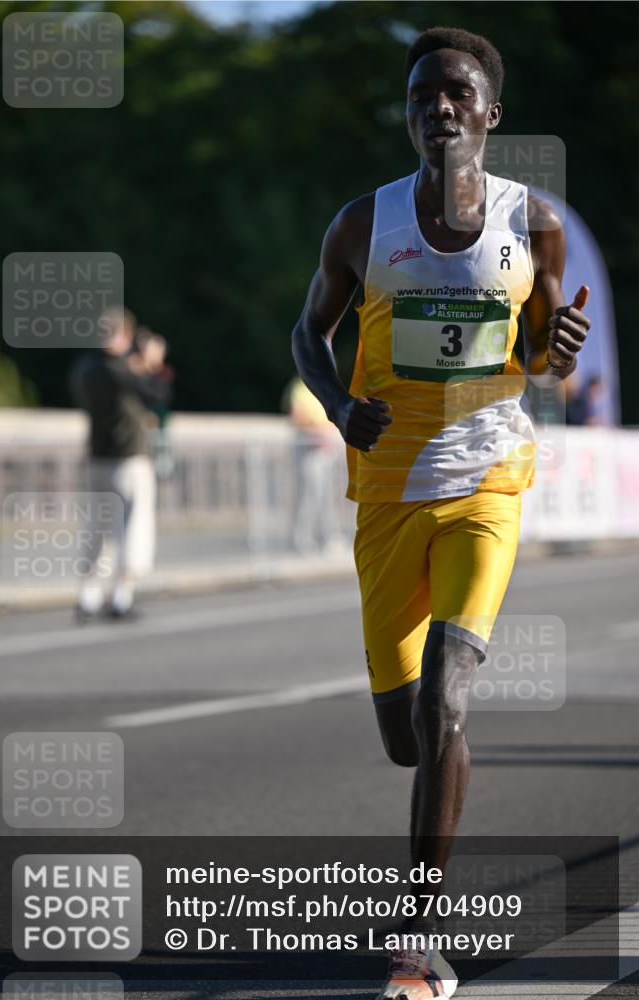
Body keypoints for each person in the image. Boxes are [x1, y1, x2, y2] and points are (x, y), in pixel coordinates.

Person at [291, 26, 590, 999]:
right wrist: (341, 407)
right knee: (403, 733)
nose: (438, 107)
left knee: (445, 695)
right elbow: (309, 332)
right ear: (410, 112)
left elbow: (544, 351)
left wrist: (560, 340)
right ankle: (438, 764)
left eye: (457, 93)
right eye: (422, 94)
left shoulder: (529, 222)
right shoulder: (360, 224)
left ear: (489, 114)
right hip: (387, 496)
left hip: (486, 485)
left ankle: (416, 942)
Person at [69, 307, 173, 620]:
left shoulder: (85, 368)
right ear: (124, 334)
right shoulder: (123, 369)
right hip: (129, 459)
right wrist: (152, 363)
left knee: (95, 529)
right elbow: (158, 395)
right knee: (134, 528)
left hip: (96, 458)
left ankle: (89, 594)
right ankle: (121, 595)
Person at [283, 375, 345, 553]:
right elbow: (297, 416)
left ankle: (327, 537)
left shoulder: (327, 383)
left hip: (327, 450)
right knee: (310, 496)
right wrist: (318, 433)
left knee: (327, 496)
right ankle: (303, 539)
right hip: (311, 450)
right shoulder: (300, 386)